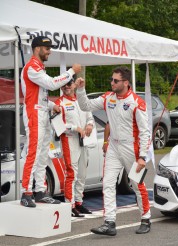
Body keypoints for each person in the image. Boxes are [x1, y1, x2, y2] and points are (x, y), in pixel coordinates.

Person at [75, 66, 152, 235]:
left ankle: (145, 217)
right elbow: (85, 105)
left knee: (137, 184)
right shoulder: (108, 97)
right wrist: (80, 89)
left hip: (132, 147)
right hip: (113, 146)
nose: (112, 83)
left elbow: (145, 131)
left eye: (115, 80)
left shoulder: (136, 103)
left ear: (125, 82)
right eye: (111, 79)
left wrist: (142, 157)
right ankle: (109, 222)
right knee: (108, 184)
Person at [20, 35, 81, 208]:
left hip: (42, 113)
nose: (49, 52)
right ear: (37, 49)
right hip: (34, 114)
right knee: (33, 153)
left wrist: (53, 105)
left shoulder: (39, 67)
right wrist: (71, 71)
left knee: (42, 154)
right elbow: (52, 84)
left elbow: (41, 96)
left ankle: (40, 190)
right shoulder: (31, 67)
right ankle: (26, 192)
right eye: (47, 49)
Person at [55, 79, 94, 217]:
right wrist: (75, 128)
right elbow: (58, 126)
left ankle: (78, 202)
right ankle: (69, 205)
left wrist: (89, 124)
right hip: (69, 140)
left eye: (69, 84)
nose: (66, 87)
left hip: (84, 140)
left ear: (74, 85)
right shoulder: (59, 103)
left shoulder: (81, 101)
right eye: (63, 85)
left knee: (82, 174)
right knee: (72, 174)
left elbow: (90, 116)